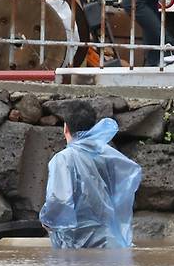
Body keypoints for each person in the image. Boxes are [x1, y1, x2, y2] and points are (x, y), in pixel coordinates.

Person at [39, 100, 142, 249]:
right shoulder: (107, 154)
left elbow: (59, 201)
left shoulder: (63, 158)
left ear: (65, 128)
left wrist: (47, 221)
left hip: (77, 241)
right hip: (109, 239)